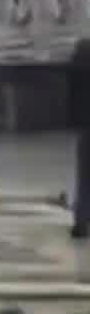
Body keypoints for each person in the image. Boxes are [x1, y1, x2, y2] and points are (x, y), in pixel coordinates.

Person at [68, 37, 90, 239]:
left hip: (85, 123)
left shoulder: (81, 52)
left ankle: (81, 221)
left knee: (84, 176)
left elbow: (72, 90)